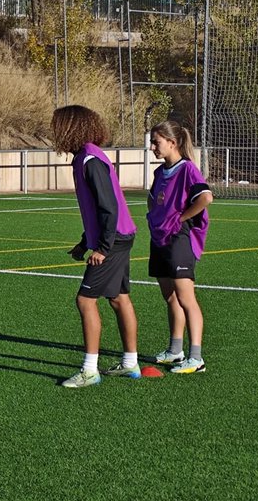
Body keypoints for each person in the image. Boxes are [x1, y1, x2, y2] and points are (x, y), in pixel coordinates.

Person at [51, 105, 140, 387]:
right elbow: (96, 210)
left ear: (71, 128)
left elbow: (108, 207)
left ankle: (90, 370)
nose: (55, 133)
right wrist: (84, 242)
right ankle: (130, 363)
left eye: (58, 127)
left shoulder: (90, 159)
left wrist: (102, 247)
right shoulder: (86, 156)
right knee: (119, 298)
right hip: (119, 236)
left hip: (113, 240)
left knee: (85, 300)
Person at [146, 119, 213, 374]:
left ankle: (196, 358)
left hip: (179, 238)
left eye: (156, 142)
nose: (152, 147)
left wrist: (181, 218)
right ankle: (175, 350)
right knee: (170, 296)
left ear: (172, 142)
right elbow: (153, 200)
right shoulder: (159, 172)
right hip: (159, 238)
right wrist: (155, 218)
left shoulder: (187, 169)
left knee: (186, 297)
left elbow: (206, 197)